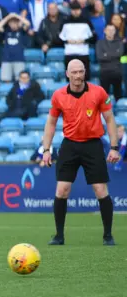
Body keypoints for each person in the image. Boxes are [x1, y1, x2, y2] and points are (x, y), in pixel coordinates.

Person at [41, 59, 120, 246]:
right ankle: (59, 236)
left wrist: (114, 147)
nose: (77, 76)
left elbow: (109, 119)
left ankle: (108, 235)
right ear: (67, 74)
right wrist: (46, 149)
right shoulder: (58, 95)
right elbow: (51, 123)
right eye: (73, 72)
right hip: (69, 145)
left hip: (93, 145)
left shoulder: (98, 92)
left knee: (100, 190)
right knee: (62, 189)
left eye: (80, 72)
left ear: (85, 73)